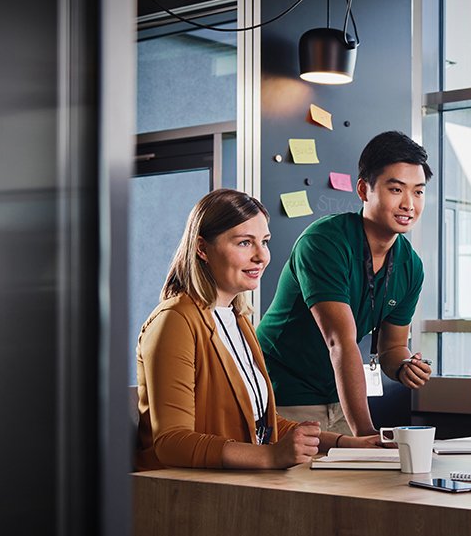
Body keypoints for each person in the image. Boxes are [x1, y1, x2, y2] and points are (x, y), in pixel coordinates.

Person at [136, 189, 380, 471]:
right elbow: (172, 442)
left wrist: (346, 443)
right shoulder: (175, 320)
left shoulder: (238, 320)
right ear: (202, 248)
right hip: (183, 491)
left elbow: (262, 424)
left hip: (234, 482)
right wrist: (270, 456)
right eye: (244, 243)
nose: (261, 256)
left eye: (264, 242)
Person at [256, 131, 433, 437]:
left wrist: (404, 365)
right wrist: (365, 434)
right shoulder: (324, 242)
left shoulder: (411, 266)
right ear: (364, 190)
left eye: (418, 192)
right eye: (396, 189)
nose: (409, 204)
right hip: (282, 393)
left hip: (340, 396)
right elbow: (340, 341)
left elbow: (391, 346)